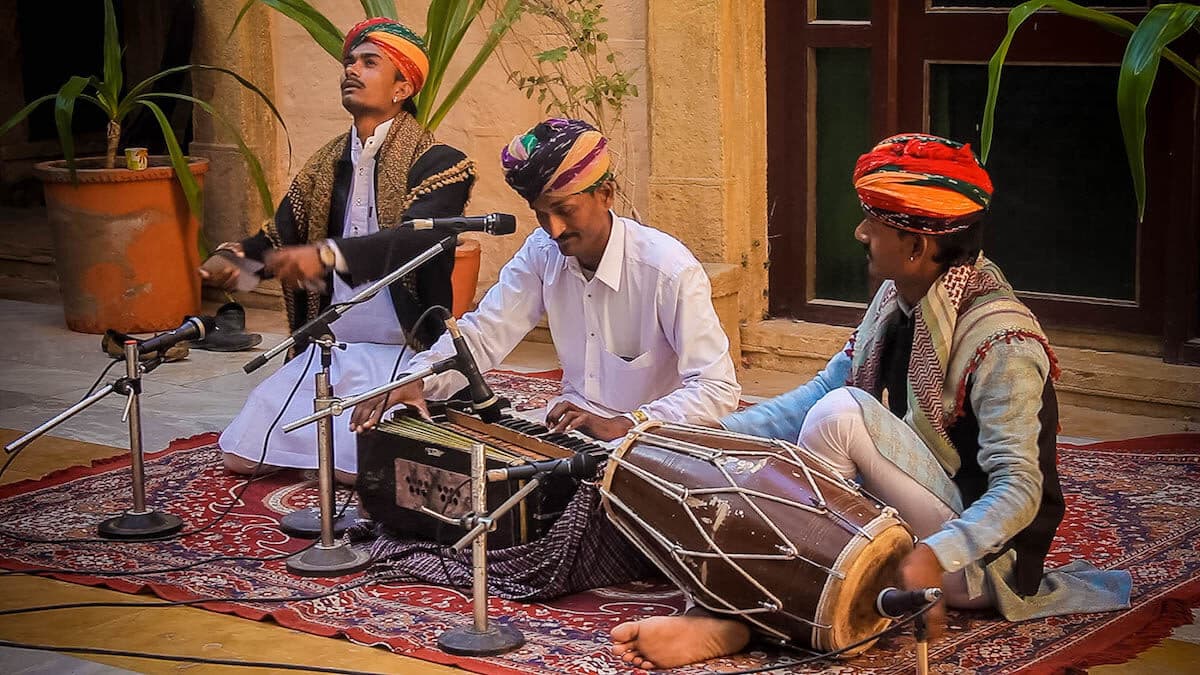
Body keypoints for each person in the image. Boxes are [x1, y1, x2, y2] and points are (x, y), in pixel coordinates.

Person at [609, 133, 1131, 669]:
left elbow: (1021, 489)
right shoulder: (895, 298)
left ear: (916, 246)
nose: (860, 233)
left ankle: (742, 620)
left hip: (977, 566)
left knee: (842, 416)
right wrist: (703, 438)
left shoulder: (1004, 343)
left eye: (873, 224)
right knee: (821, 415)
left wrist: (936, 552)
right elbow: (819, 389)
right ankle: (756, 609)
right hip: (923, 540)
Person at [200, 17, 476, 482]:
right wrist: (234, 262)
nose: (351, 69)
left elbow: (417, 240)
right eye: (350, 61)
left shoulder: (443, 163)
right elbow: (279, 238)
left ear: (401, 87)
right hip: (331, 350)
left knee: (359, 473)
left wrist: (328, 255)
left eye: (370, 63)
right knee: (241, 457)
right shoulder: (324, 165)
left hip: (403, 357)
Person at [351, 118, 740, 440]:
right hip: (569, 429)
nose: (553, 229)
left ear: (605, 195)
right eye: (541, 214)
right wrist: (416, 379)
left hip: (651, 441)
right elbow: (486, 332)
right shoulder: (542, 252)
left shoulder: (668, 271)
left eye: (565, 210)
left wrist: (629, 423)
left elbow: (717, 388)